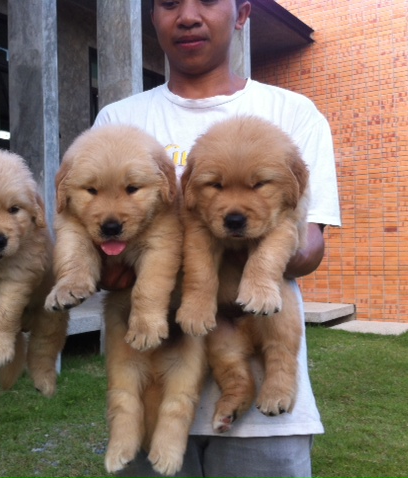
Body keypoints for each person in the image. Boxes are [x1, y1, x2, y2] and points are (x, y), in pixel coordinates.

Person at [94, 0, 341, 477]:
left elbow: (309, 245)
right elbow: (103, 250)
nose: (188, 15)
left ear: (242, 13)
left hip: (264, 424)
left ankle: (265, 381)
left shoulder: (291, 112)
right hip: (152, 389)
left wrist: (250, 257)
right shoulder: (118, 121)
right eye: (169, 3)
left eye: (207, 0)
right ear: (152, 15)